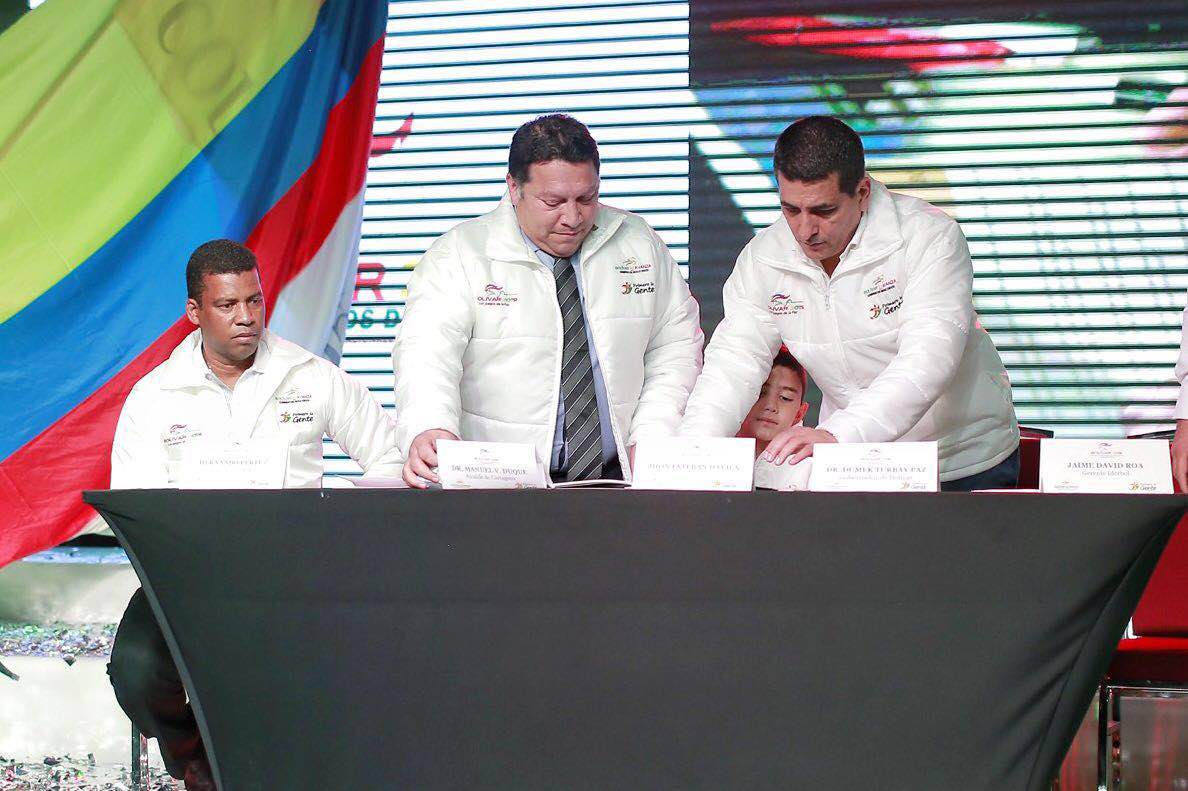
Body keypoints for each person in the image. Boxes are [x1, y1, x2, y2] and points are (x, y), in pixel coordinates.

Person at [107, 239, 403, 790]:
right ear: (194, 312)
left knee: (362, 665)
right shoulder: (153, 397)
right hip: (190, 581)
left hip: (300, 579)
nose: (246, 317)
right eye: (227, 305)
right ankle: (198, 763)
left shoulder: (309, 375)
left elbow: (392, 457)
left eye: (254, 300)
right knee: (136, 670)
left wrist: (337, 520)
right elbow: (137, 509)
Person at [680, 116, 1019, 491]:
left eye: (824, 211)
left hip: (960, 459)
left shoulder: (929, 236)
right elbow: (734, 361)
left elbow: (929, 358)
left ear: (862, 192)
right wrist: (695, 451)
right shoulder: (764, 258)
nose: (805, 230)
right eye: (791, 210)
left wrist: (839, 434)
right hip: (851, 462)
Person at [392, 113, 703, 487]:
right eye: (553, 201)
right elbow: (426, 355)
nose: (572, 217)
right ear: (514, 188)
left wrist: (653, 437)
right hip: (497, 485)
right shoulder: (459, 255)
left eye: (586, 198)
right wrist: (430, 425)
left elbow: (675, 347)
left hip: (620, 480)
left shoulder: (639, 242)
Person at [737, 347, 809, 457]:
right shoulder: (713, 447)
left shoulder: (812, 463)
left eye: (785, 397)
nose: (771, 406)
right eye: (760, 393)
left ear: (799, 413)